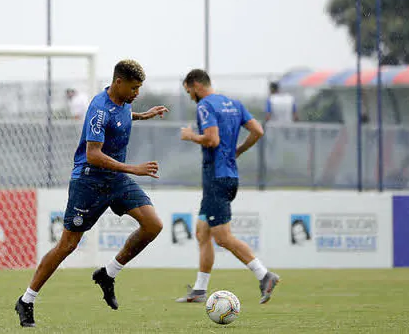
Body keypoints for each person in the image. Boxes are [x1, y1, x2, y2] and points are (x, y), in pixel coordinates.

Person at [15, 60, 169, 327]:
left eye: (139, 89)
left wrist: (144, 115)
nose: (137, 93)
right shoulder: (98, 108)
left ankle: (108, 274)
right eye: (134, 88)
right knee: (68, 246)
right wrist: (133, 168)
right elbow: (93, 154)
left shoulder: (125, 101)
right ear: (118, 82)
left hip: (116, 180)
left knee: (153, 225)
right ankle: (26, 300)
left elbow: (122, 117)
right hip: (89, 182)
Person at [177, 69, 279, 304]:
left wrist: (191, 136)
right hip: (229, 176)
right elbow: (258, 130)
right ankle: (200, 291)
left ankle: (264, 275)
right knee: (203, 232)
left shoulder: (205, 106)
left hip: (216, 179)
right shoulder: (233, 104)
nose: (190, 96)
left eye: (189, 91)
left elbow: (212, 140)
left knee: (222, 238)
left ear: (196, 85)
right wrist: (238, 150)